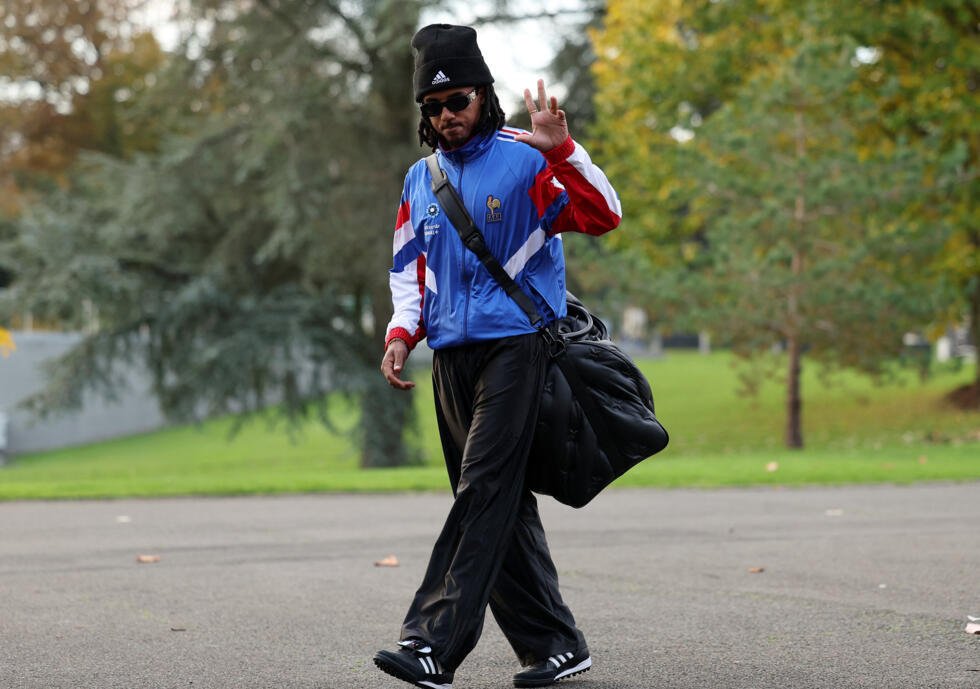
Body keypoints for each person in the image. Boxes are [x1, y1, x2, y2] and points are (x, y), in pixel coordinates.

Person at [374, 23, 622, 689]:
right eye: (434, 107)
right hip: (451, 360)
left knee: (483, 488)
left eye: (457, 101)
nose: (447, 116)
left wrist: (564, 150)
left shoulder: (528, 159)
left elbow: (605, 214)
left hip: (519, 348)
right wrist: (403, 333)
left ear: (483, 96)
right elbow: (409, 268)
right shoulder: (419, 179)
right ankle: (556, 643)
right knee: (497, 501)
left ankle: (430, 642)